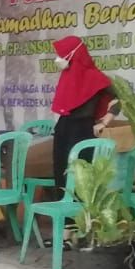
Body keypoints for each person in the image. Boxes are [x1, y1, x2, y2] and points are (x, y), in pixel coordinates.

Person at [49, 36, 115, 194]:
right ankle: (63, 215)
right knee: (60, 170)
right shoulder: (68, 75)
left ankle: (79, 216)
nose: (59, 59)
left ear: (74, 54)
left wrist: (104, 122)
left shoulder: (95, 77)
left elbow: (119, 99)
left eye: (63, 54)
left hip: (83, 130)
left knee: (79, 175)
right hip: (63, 126)